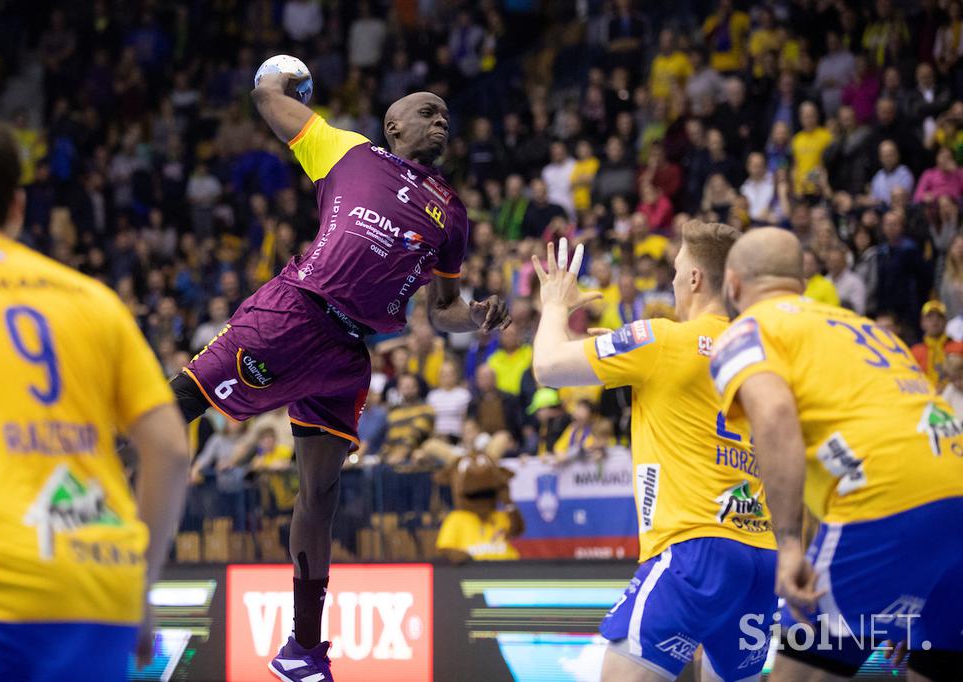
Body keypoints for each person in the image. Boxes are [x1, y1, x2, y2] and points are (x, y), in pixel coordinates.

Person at [170, 73, 511, 681]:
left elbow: (441, 310)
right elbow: (267, 102)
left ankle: (302, 649)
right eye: (427, 111)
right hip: (294, 313)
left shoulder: (451, 214)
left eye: (446, 116)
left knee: (321, 494)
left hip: (348, 355)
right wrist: (275, 79)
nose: (441, 120)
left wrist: (476, 319)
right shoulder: (347, 150)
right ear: (393, 126)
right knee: (178, 405)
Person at [0, 114, 190, 680]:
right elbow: (170, 451)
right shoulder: (92, 299)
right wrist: (141, 589)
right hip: (96, 583)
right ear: (17, 206)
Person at [711, 227, 963, 681]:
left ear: (732, 283)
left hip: (884, 501)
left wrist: (788, 546)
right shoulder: (865, 327)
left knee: (801, 672)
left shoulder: (747, 329)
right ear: (802, 284)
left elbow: (773, 416)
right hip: (954, 494)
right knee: (934, 664)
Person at [530, 223, 777, 681]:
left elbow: (546, 366)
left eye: (677, 269)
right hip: (761, 556)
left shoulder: (661, 339)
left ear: (697, 279)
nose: (673, 280)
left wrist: (554, 306)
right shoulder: (760, 353)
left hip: (693, 548)